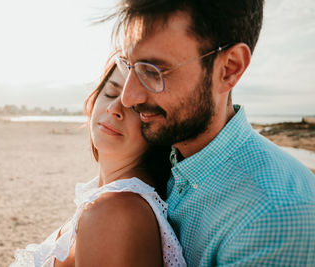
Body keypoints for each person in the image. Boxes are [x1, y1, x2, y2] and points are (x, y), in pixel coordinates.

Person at [106, 0, 315, 266]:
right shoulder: (160, 155)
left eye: (153, 70)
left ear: (230, 68)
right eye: (129, 65)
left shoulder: (274, 214)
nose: (128, 97)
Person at [9, 59, 186, 267]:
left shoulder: (114, 212)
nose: (114, 108)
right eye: (110, 93)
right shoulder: (111, 198)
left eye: (136, 107)